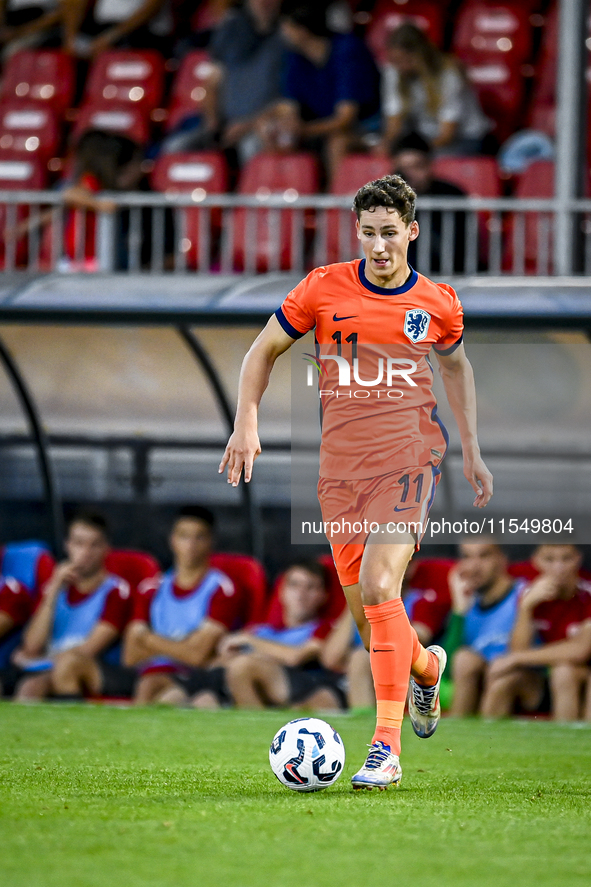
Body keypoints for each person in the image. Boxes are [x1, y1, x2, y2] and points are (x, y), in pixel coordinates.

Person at [219, 173, 493, 789]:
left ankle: (384, 749)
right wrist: (246, 423)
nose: (377, 245)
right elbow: (260, 352)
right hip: (340, 472)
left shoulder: (437, 303)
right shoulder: (322, 288)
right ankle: (425, 668)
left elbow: (456, 368)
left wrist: (471, 448)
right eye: (367, 232)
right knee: (374, 621)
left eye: (389, 233)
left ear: (411, 232)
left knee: (378, 585)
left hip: (409, 459)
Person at [123, 505, 240, 705]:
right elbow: (130, 656)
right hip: (147, 673)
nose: (191, 545)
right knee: (147, 683)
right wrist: (183, 647)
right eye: (184, 536)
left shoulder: (222, 589)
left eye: (199, 537)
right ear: (172, 540)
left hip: (193, 677)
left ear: (211, 541)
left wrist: (148, 639)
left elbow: (196, 657)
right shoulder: (150, 589)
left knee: (152, 687)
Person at [12, 511, 134, 701]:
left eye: (93, 545)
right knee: (30, 686)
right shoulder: (52, 589)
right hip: (49, 667)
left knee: (66, 666)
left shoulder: (117, 591)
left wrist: (37, 662)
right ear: (67, 546)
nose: (85, 553)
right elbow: (32, 646)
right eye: (79, 544)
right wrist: (53, 590)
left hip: (93, 669)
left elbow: (89, 649)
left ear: (106, 549)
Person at [263, 4, 380, 182]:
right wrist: (280, 126)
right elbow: (289, 105)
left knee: (337, 142)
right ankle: (288, 198)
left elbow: (345, 119)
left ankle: (336, 205)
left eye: (286, 27)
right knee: (273, 133)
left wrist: (302, 130)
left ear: (302, 30)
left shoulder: (348, 50)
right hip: (317, 127)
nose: (282, 33)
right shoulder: (296, 56)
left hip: (366, 128)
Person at [162, 0, 285, 166]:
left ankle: (253, 189)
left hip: (262, 124)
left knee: (251, 146)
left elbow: (286, 99)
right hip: (223, 125)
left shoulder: (287, 37)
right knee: (174, 147)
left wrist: (248, 125)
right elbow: (212, 82)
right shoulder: (230, 30)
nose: (264, 3)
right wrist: (213, 125)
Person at [209, 560, 344, 711]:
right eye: (294, 585)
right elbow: (217, 664)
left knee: (243, 666)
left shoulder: (325, 629)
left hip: (303, 683)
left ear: (323, 596)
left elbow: (296, 657)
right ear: (282, 591)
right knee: (206, 695)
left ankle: (256, 726)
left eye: (311, 587)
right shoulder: (261, 631)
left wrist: (249, 641)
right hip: (252, 684)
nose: (301, 594)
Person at [484, 545, 591, 721]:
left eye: (566, 559)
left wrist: (515, 658)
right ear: (536, 561)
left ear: (578, 559)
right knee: (502, 680)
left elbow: (581, 650)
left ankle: (566, 743)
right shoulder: (531, 593)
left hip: (581, 676)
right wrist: (526, 608)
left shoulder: (587, 592)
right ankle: (484, 743)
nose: (559, 568)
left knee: (563, 672)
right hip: (543, 677)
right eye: (549, 559)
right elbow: (518, 648)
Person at [442, 542, 527, 717]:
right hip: (481, 684)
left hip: (523, 681)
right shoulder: (467, 604)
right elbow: (449, 671)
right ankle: (456, 738)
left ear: (502, 559)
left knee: (502, 680)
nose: (474, 566)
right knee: (465, 659)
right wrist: (458, 610)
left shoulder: (525, 594)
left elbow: (522, 655)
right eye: (467, 557)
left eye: (484, 556)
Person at [379, 23, 491, 156]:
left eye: (405, 60)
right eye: (395, 61)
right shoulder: (393, 71)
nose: (400, 67)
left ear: (420, 55)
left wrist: (415, 152)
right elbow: (394, 123)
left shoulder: (448, 74)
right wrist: (386, 145)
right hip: (424, 138)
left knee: (418, 163)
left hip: (465, 139)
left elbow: (447, 134)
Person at [392, 131, 466, 274]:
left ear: (430, 165)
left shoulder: (451, 194)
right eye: (404, 169)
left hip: (448, 275)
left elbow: (461, 246)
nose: (410, 175)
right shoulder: (388, 197)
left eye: (417, 166)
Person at [61, 0, 172, 58]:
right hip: (103, 28)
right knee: (54, 42)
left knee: (119, 45)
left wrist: (111, 36)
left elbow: (152, 9)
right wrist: (70, 38)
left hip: (143, 31)